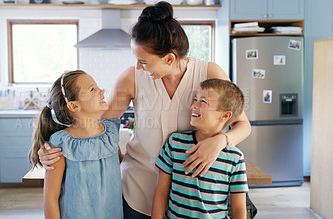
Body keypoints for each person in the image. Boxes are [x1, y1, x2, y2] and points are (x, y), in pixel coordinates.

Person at [38, 2, 251, 218]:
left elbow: (243, 125)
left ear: (168, 58)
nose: (138, 67)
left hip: (190, 197)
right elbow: (93, 126)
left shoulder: (209, 73)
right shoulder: (131, 78)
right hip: (138, 192)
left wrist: (220, 142)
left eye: (143, 61)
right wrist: (50, 149)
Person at [28, 70, 123, 219]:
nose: (102, 91)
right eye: (92, 89)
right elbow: (50, 198)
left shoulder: (110, 133)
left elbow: (119, 164)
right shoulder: (62, 143)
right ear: (74, 106)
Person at [152, 79, 248, 219]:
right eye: (195, 99)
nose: (193, 106)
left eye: (203, 102)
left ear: (225, 116)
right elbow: (161, 192)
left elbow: (239, 209)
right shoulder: (175, 143)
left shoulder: (235, 158)